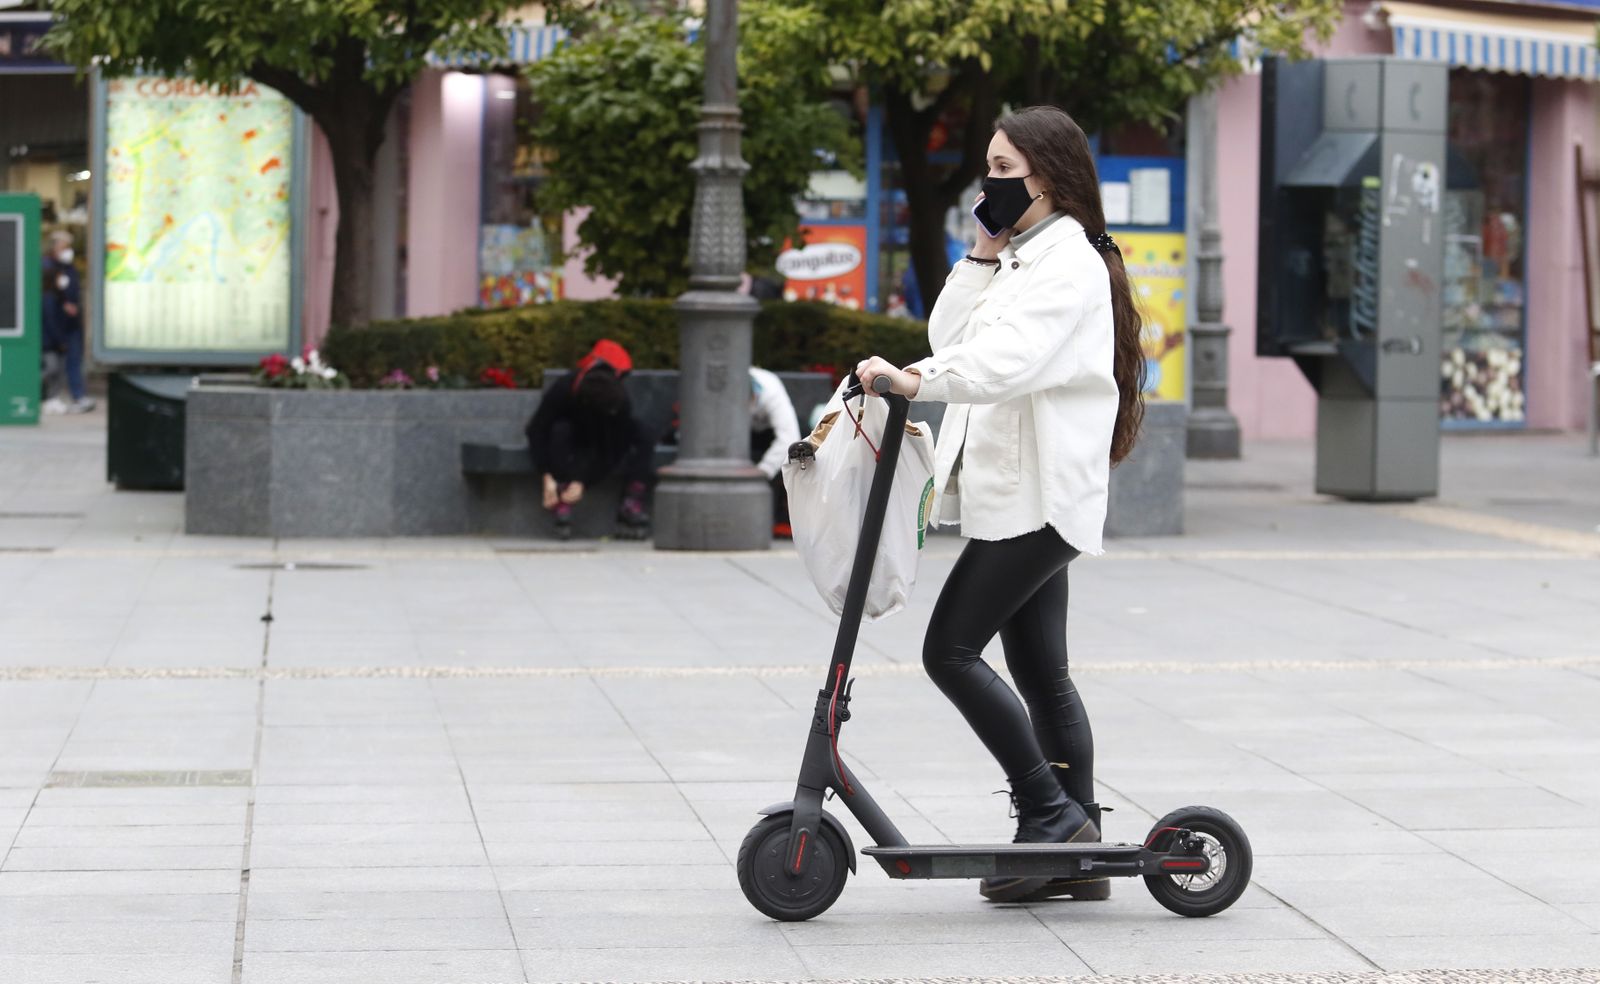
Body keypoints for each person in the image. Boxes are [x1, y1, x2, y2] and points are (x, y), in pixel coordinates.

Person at [853, 106, 1146, 905]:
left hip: (1041, 493)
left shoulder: (1070, 264)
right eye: (989, 170)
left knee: (948, 651)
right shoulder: (1021, 257)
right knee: (1041, 671)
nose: (991, 183)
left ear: (1046, 178)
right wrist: (981, 252)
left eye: (1005, 172)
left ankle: (1050, 818)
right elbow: (953, 334)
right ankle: (1075, 847)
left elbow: (1006, 363)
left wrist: (915, 382)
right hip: (1014, 492)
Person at [524, 339, 654, 540]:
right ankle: (561, 494)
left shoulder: (618, 402)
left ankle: (631, 501)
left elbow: (609, 450)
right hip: (568, 433)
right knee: (560, 430)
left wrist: (582, 481)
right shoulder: (565, 389)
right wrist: (546, 475)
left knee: (644, 432)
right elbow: (537, 429)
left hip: (604, 435)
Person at [41, 230, 94, 414]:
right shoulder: (46, 266)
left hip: (71, 324)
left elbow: (71, 292)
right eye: (64, 246)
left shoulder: (69, 268)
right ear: (54, 247)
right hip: (54, 323)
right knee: (52, 366)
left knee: (72, 361)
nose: (67, 250)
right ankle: (49, 397)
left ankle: (77, 396)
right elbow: (49, 298)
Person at [748, 367, 801, 538]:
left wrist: (763, 471)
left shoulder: (770, 390)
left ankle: (780, 520)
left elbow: (789, 437)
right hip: (742, 437)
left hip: (767, 434)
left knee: (788, 460)